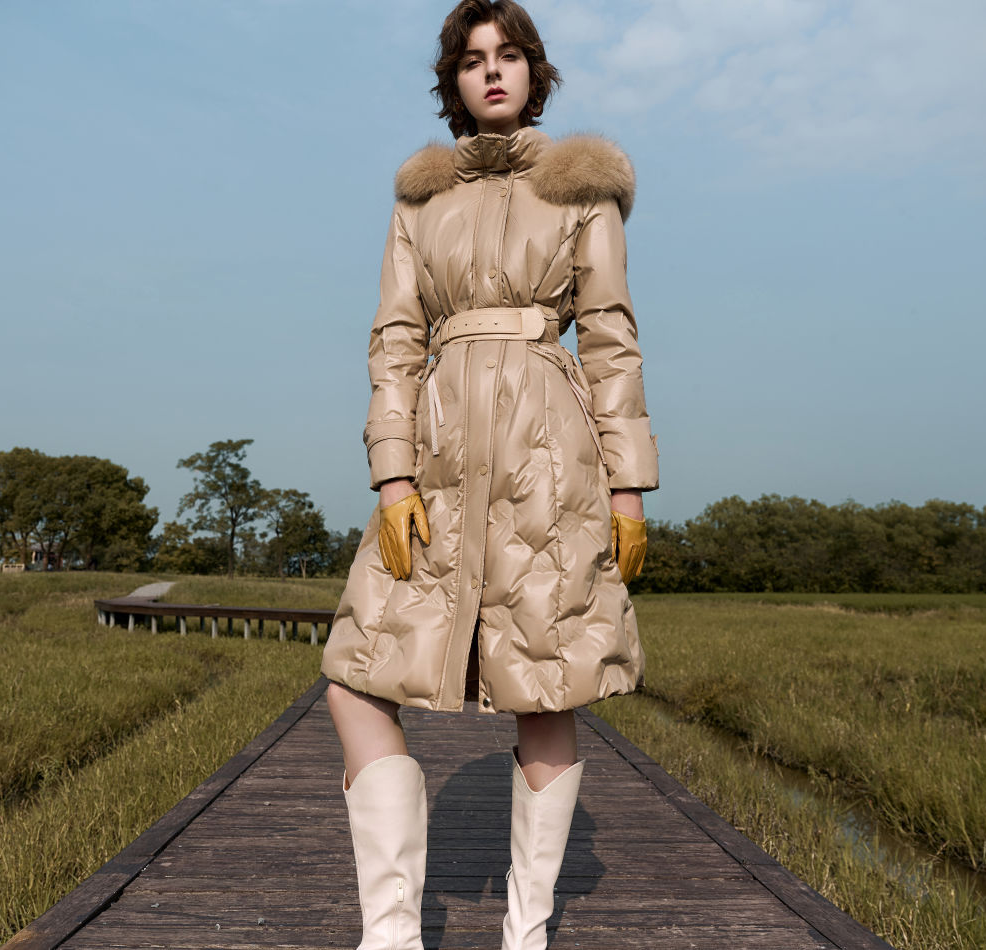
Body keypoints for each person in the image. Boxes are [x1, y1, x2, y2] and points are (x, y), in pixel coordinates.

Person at [319, 1, 658, 947]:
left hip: (549, 460)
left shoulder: (582, 189)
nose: (492, 71)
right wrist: (392, 476)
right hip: (435, 459)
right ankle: (391, 934)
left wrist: (628, 486)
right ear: (454, 83)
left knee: (545, 690)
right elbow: (394, 341)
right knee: (354, 676)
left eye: (508, 55)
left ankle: (526, 931)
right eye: (472, 60)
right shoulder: (418, 200)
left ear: (533, 72)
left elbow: (610, 339)